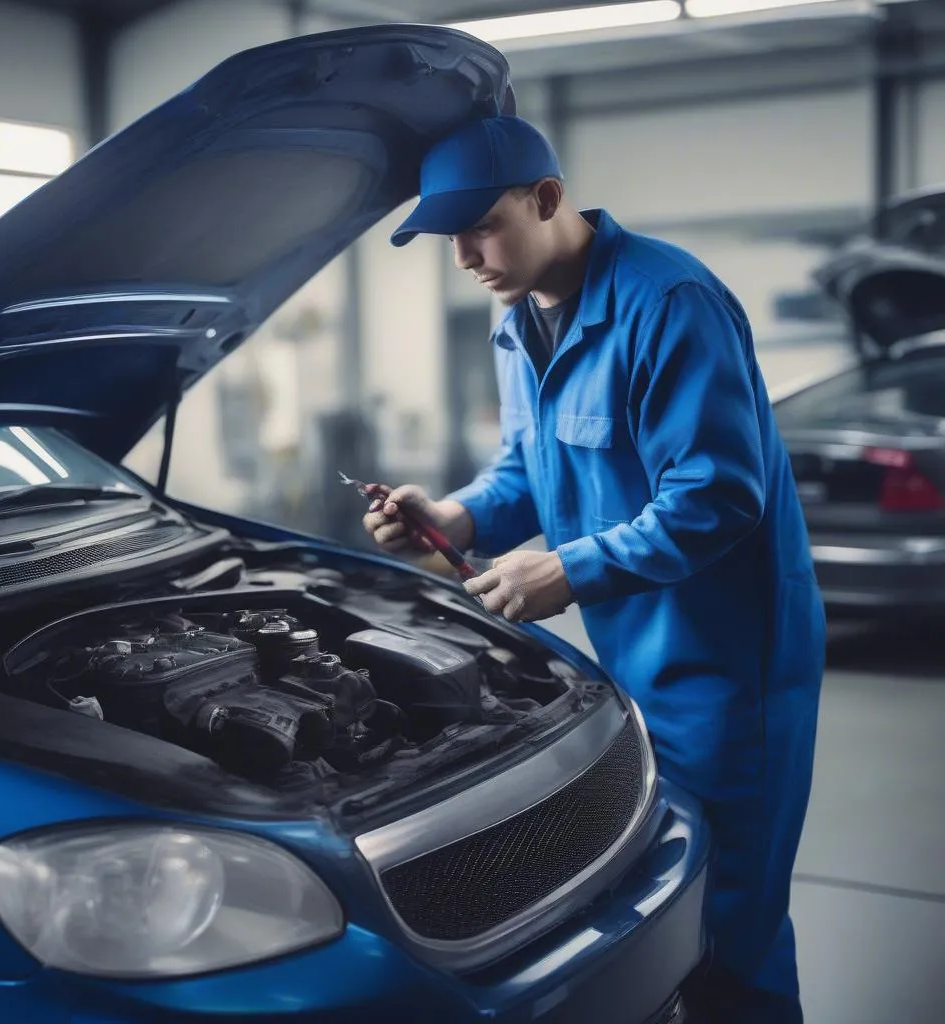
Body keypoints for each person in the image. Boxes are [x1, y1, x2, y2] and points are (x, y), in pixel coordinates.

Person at [361, 114, 825, 1023]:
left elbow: (717, 498)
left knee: (732, 922)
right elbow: (529, 471)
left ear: (546, 199)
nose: (464, 257)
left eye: (481, 227)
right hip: (625, 663)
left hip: (730, 670)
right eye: (448, 237)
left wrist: (565, 572)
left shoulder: (668, 303)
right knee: (661, 911)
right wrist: (457, 512)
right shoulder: (515, 327)